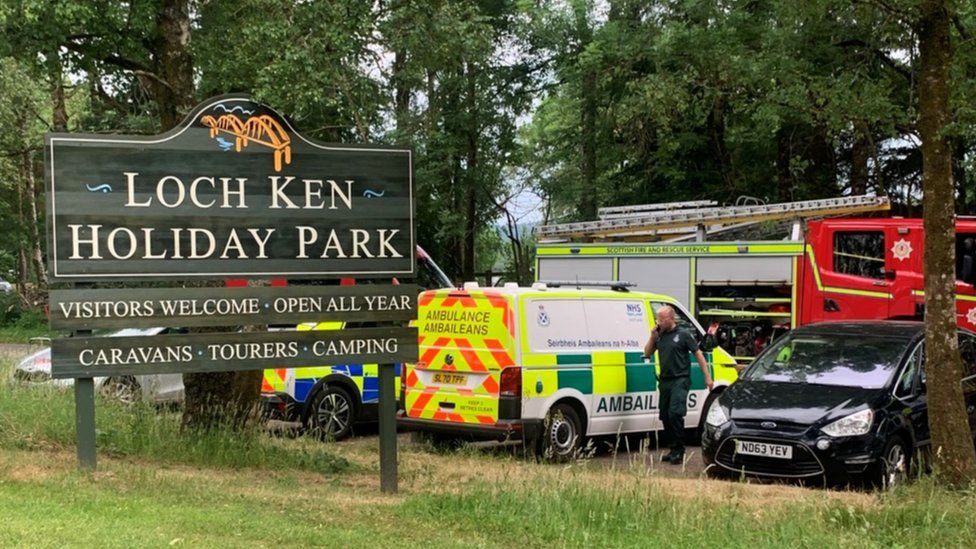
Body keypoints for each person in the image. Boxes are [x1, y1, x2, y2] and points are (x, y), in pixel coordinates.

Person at [643, 305, 714, 464]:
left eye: (662, 319)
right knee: (666, 416)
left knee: (675, 413)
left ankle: (679, 451)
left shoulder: (683, 335)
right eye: (658, 319)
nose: (659, 322)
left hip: (680, 379)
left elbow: (699, 355)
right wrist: (652, 337)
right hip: (665, 380)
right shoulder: (659, 335)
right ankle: (673, 448)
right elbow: (647, 353)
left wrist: (707, 377)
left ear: (671, 319)